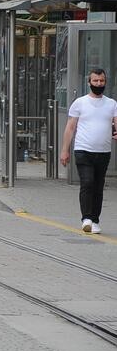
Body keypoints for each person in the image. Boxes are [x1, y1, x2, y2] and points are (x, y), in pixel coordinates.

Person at [59, 68, 117, 234]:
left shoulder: (112, 104)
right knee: (87, 182)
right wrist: (65, 150)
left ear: (105, 82)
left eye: (101, 81)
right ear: (89, 82)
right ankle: (86, 218)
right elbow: (70, 127)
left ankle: (95, 220)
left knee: (98, 186)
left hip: (104, 152)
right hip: (83, 150)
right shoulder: (80, 103)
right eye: (95, 81)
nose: (99, 84)